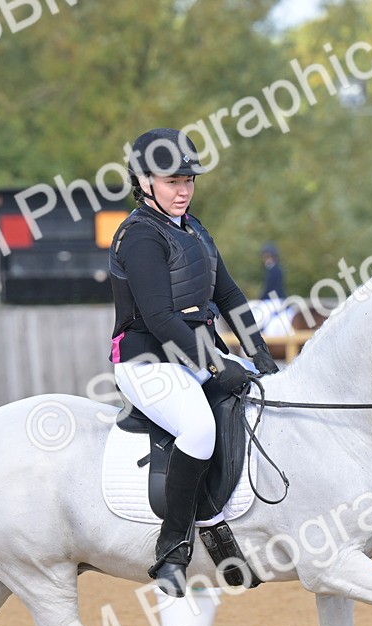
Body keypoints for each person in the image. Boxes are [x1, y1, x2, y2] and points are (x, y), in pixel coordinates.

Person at [108, 128, 279, 597]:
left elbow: (227, 294)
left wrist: (258, 350)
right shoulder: (139, 236)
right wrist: (217, 364)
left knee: (256, 404)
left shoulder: (195, 230)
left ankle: (224, 530)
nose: (183, 190)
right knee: (199, 430)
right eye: (171, 181)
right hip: (148, 360)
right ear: (144, 182)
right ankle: (171, 550)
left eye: (189, 180)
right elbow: (161, 317)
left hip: (194, 354)